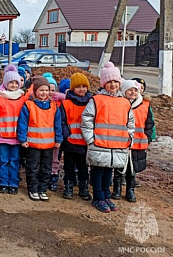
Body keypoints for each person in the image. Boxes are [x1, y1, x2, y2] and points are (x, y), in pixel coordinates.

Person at [81, 62, 134, 213]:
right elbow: (87, 120)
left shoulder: (124, 102)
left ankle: (106, 196)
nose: (112, 84)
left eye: (115, 81)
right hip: (99, 143)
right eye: (109, 82)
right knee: (98, 171)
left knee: (109, 172)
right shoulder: (97, 100)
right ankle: (98, 197)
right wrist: (91, 139)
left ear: (119, 82)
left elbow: (130, 123)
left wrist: (129, 138)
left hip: (117, 145)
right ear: (104, 83)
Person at [18, 76, 62, 201]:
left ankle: (42, 189)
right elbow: (23, 123)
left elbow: (57, 124)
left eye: (46, 90)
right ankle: (33, 189)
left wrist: (58, 139)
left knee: (46, 168)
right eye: (41, 90)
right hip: (33, 144)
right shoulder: (29, 105)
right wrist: (23, 139)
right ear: (35, 91)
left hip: (48, 145)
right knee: (33, 168)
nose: (44, 93)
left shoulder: (54, 107)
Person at [112, 79, 155, 202]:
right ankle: (117, 189)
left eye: (135, 90)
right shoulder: (119, 103)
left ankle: (130, 190)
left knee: (133, 168)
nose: (132, 92)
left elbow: (149, 123)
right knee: (119, 167)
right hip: (121, 142)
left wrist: (147, 136)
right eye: (129, 90)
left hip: (138, 143)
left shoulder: (145, 105)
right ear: (124, 91)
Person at [0, 65, 27, 195]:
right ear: (5, 83)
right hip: (3, 135)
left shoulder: (23, 99)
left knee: (15, 160)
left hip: (17, 137)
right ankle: (4, 182)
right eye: (11, 82)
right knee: (4, 160)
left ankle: (14, 183)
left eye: (16, 82)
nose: (14, 85)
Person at [60, 73, 92, 200]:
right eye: (78, 86)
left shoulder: (91, 102)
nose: (81, 89)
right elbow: (62, 121)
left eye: (84, 86)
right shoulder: (66, 103)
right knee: (68, 166)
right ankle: (68, 187)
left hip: (86, 142)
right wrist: (66, 134)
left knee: (83, 167)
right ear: (72, 88)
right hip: (70, 142)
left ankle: (83, 188)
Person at [43, 72, 63, 192]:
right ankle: (44, 177)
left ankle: (53, 177)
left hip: (54, 136)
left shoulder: (59, 104)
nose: (50, 92)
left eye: (53, 89)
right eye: (48, 89)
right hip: (42, 137)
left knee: (55, 158)